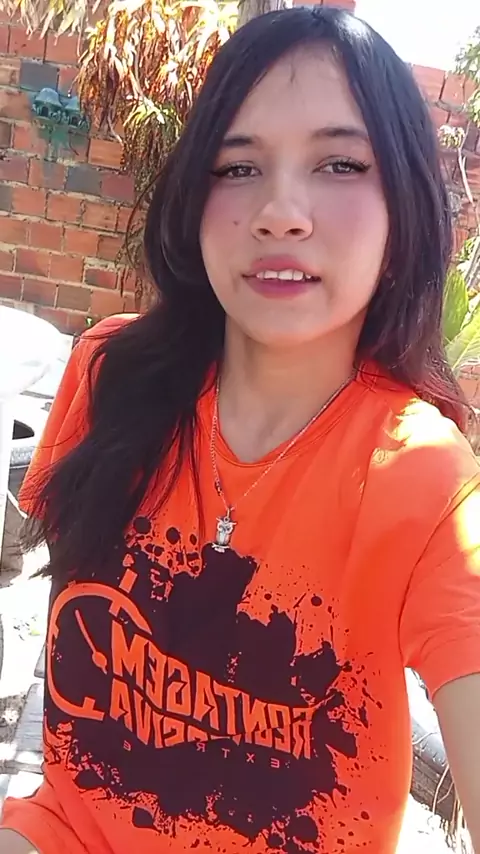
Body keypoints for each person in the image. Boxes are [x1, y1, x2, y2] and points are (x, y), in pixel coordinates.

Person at [1, 5, 480, 853]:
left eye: (340, 163)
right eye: (238, 167)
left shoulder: (422, 475)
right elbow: (73, 722)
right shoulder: (112, 375)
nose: (280, 212)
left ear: (403, 207)